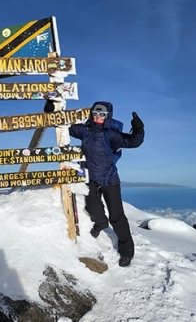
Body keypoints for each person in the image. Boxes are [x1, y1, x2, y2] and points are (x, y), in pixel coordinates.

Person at [68, 101, 144, 267]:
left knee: (117, 217)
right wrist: (53, 112)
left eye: (102, 114)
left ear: (108, 115)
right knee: (92, 208)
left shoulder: (112, 134)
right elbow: (65, 126)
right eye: (96, 114)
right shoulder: (85, 131)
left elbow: (132, 142)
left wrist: (138, 129)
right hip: (91, 179)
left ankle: (126, 251)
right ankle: (101, 223)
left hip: (110, 180)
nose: (98, 117)